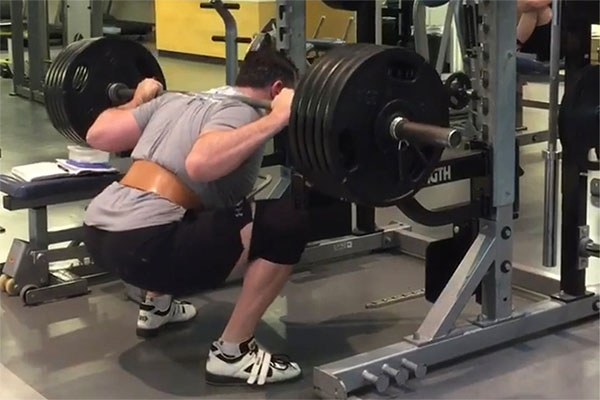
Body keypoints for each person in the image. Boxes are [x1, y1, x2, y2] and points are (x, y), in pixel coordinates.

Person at [82, 48, 310, 386]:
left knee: (196, 207)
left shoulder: (178, 101)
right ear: (278, 91)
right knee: (286, 220)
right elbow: (200, 165)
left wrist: (136, 101)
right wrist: (278, 117)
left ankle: (157, 306)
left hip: (100, 235)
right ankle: (234, 353)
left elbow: (97, 135)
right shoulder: (242, 111)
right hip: (148, 249)